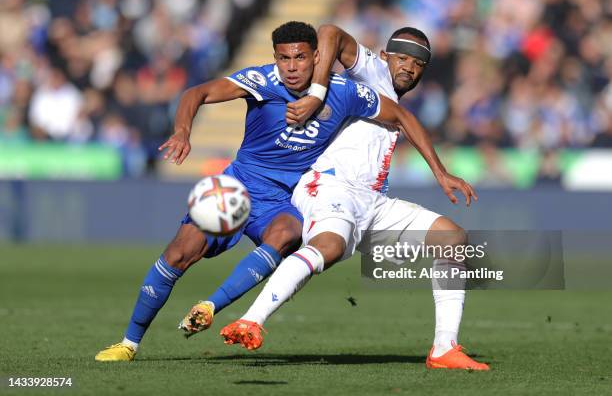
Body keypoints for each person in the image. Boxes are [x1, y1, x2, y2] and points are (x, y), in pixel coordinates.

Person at [94, 21, 433, 362]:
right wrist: (183, 131)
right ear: (275, 58)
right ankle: (128, 344)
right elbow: (195, 94)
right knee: (179, 254)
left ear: (317, 57)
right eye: (283, 58)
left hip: (286, 198)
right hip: (239, 187)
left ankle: (211, 306)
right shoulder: (263, 81)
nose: (291, 67)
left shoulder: (343, 91)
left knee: (288, 233)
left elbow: (401, 115)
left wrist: (441, 171)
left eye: (300, 57)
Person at [217, 24, 489, 370]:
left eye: (418, 64)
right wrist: (317, 92)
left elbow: (407, 120)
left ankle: (443, 348)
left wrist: (441, 172)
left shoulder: (395, 99)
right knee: (327, 248)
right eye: (402, 58)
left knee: (452, 239)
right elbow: (329, 32)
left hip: (372, 202)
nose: (408, 67)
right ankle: (251, 320)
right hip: (331, 187)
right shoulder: (370, 71)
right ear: (386, 56)